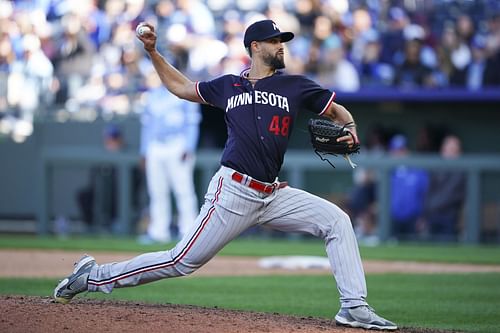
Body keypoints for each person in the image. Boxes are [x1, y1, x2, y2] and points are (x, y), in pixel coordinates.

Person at [54, 19, 397, 331]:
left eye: (283, 41)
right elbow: (182, 88)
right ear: (255, 47)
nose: (281, 46)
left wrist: (350, 127)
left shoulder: (296, 86)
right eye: (274, 40)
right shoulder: (228, 85)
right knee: (181, 260)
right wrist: (153, 52)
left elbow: (337, 110)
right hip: (233, 192)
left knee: (337, 221)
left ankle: (354, 307)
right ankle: (93, 277)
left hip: (273, 194)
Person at [138, 68, 201, 244]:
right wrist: (144, 151)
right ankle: (158, 231)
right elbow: (147, 127)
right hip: (156, 146)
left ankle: (188, 231)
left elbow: (192, 123)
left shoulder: (184, 92)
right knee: (157, 191)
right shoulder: (152, 96)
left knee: (183, 190)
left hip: (177, 143)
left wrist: (189, 147)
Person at [421, 135, 466, 241]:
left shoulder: (462, 172)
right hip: (432, 215)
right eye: (448, 149)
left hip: (449, 215)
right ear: (443, 150)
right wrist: (425, 214)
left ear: (459, 153)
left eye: (454, 150)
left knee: (447, 247)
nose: (450, 153)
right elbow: (428, 193)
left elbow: (458, 196)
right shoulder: (435, 169)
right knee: (429, 248)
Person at [388, 134, 429, 240]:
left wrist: (423, 216)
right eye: (395, 151)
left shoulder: (418, 171)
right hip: (392, 219)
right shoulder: (387, 172)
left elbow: (426, 195)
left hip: (413, 219)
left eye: (401, 150)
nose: (399, 154)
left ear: (407, 151)